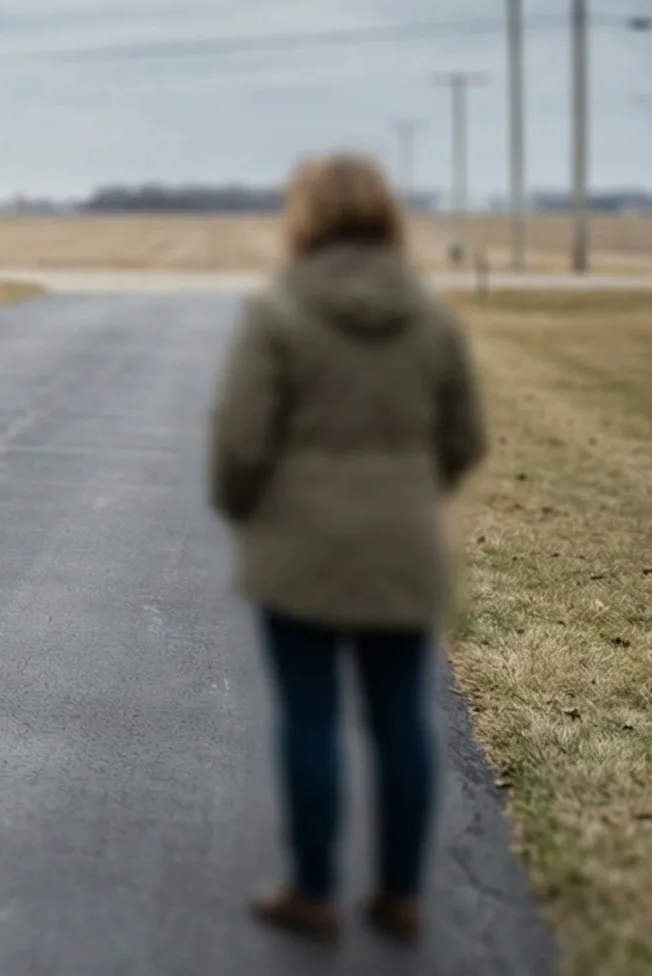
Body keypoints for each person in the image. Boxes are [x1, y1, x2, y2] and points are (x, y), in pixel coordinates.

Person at [209, 153, 486, 946]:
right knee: (401, 720)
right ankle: (399, 895)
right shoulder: (430, 317)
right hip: (400, 543)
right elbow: (462, 437)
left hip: (299, 547)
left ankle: (314, 890)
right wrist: (409, 492)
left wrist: (243, 509)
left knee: (309, 717)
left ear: (305, 215)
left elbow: (239, 439)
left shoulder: (279, 311)